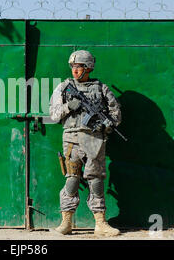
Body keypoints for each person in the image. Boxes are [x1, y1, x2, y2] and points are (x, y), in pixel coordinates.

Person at [49, 50, 122, 236]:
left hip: (94, 140)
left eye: (79, 66)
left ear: (88, 67)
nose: (75, 70)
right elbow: (54, 114)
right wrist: (68, 106)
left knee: (96, 180)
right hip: (72, 139)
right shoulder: (64, 88)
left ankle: (100, 224)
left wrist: (107, 125)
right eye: (73, 66)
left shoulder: (101, 88)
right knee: (72, 179)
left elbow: (116, 114)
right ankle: (66, 222)